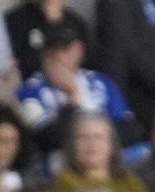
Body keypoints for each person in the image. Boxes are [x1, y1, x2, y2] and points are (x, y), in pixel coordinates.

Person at [17, 20, 137, 154]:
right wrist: (73, 96)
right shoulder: (29, 91)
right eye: (51, 49)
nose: (58, 56)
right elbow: (49, 139)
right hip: (62, 168)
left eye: (64, 48)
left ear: (79, 50)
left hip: (110, 164)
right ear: (42, 54)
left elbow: (129, 130)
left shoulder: (100, 82)